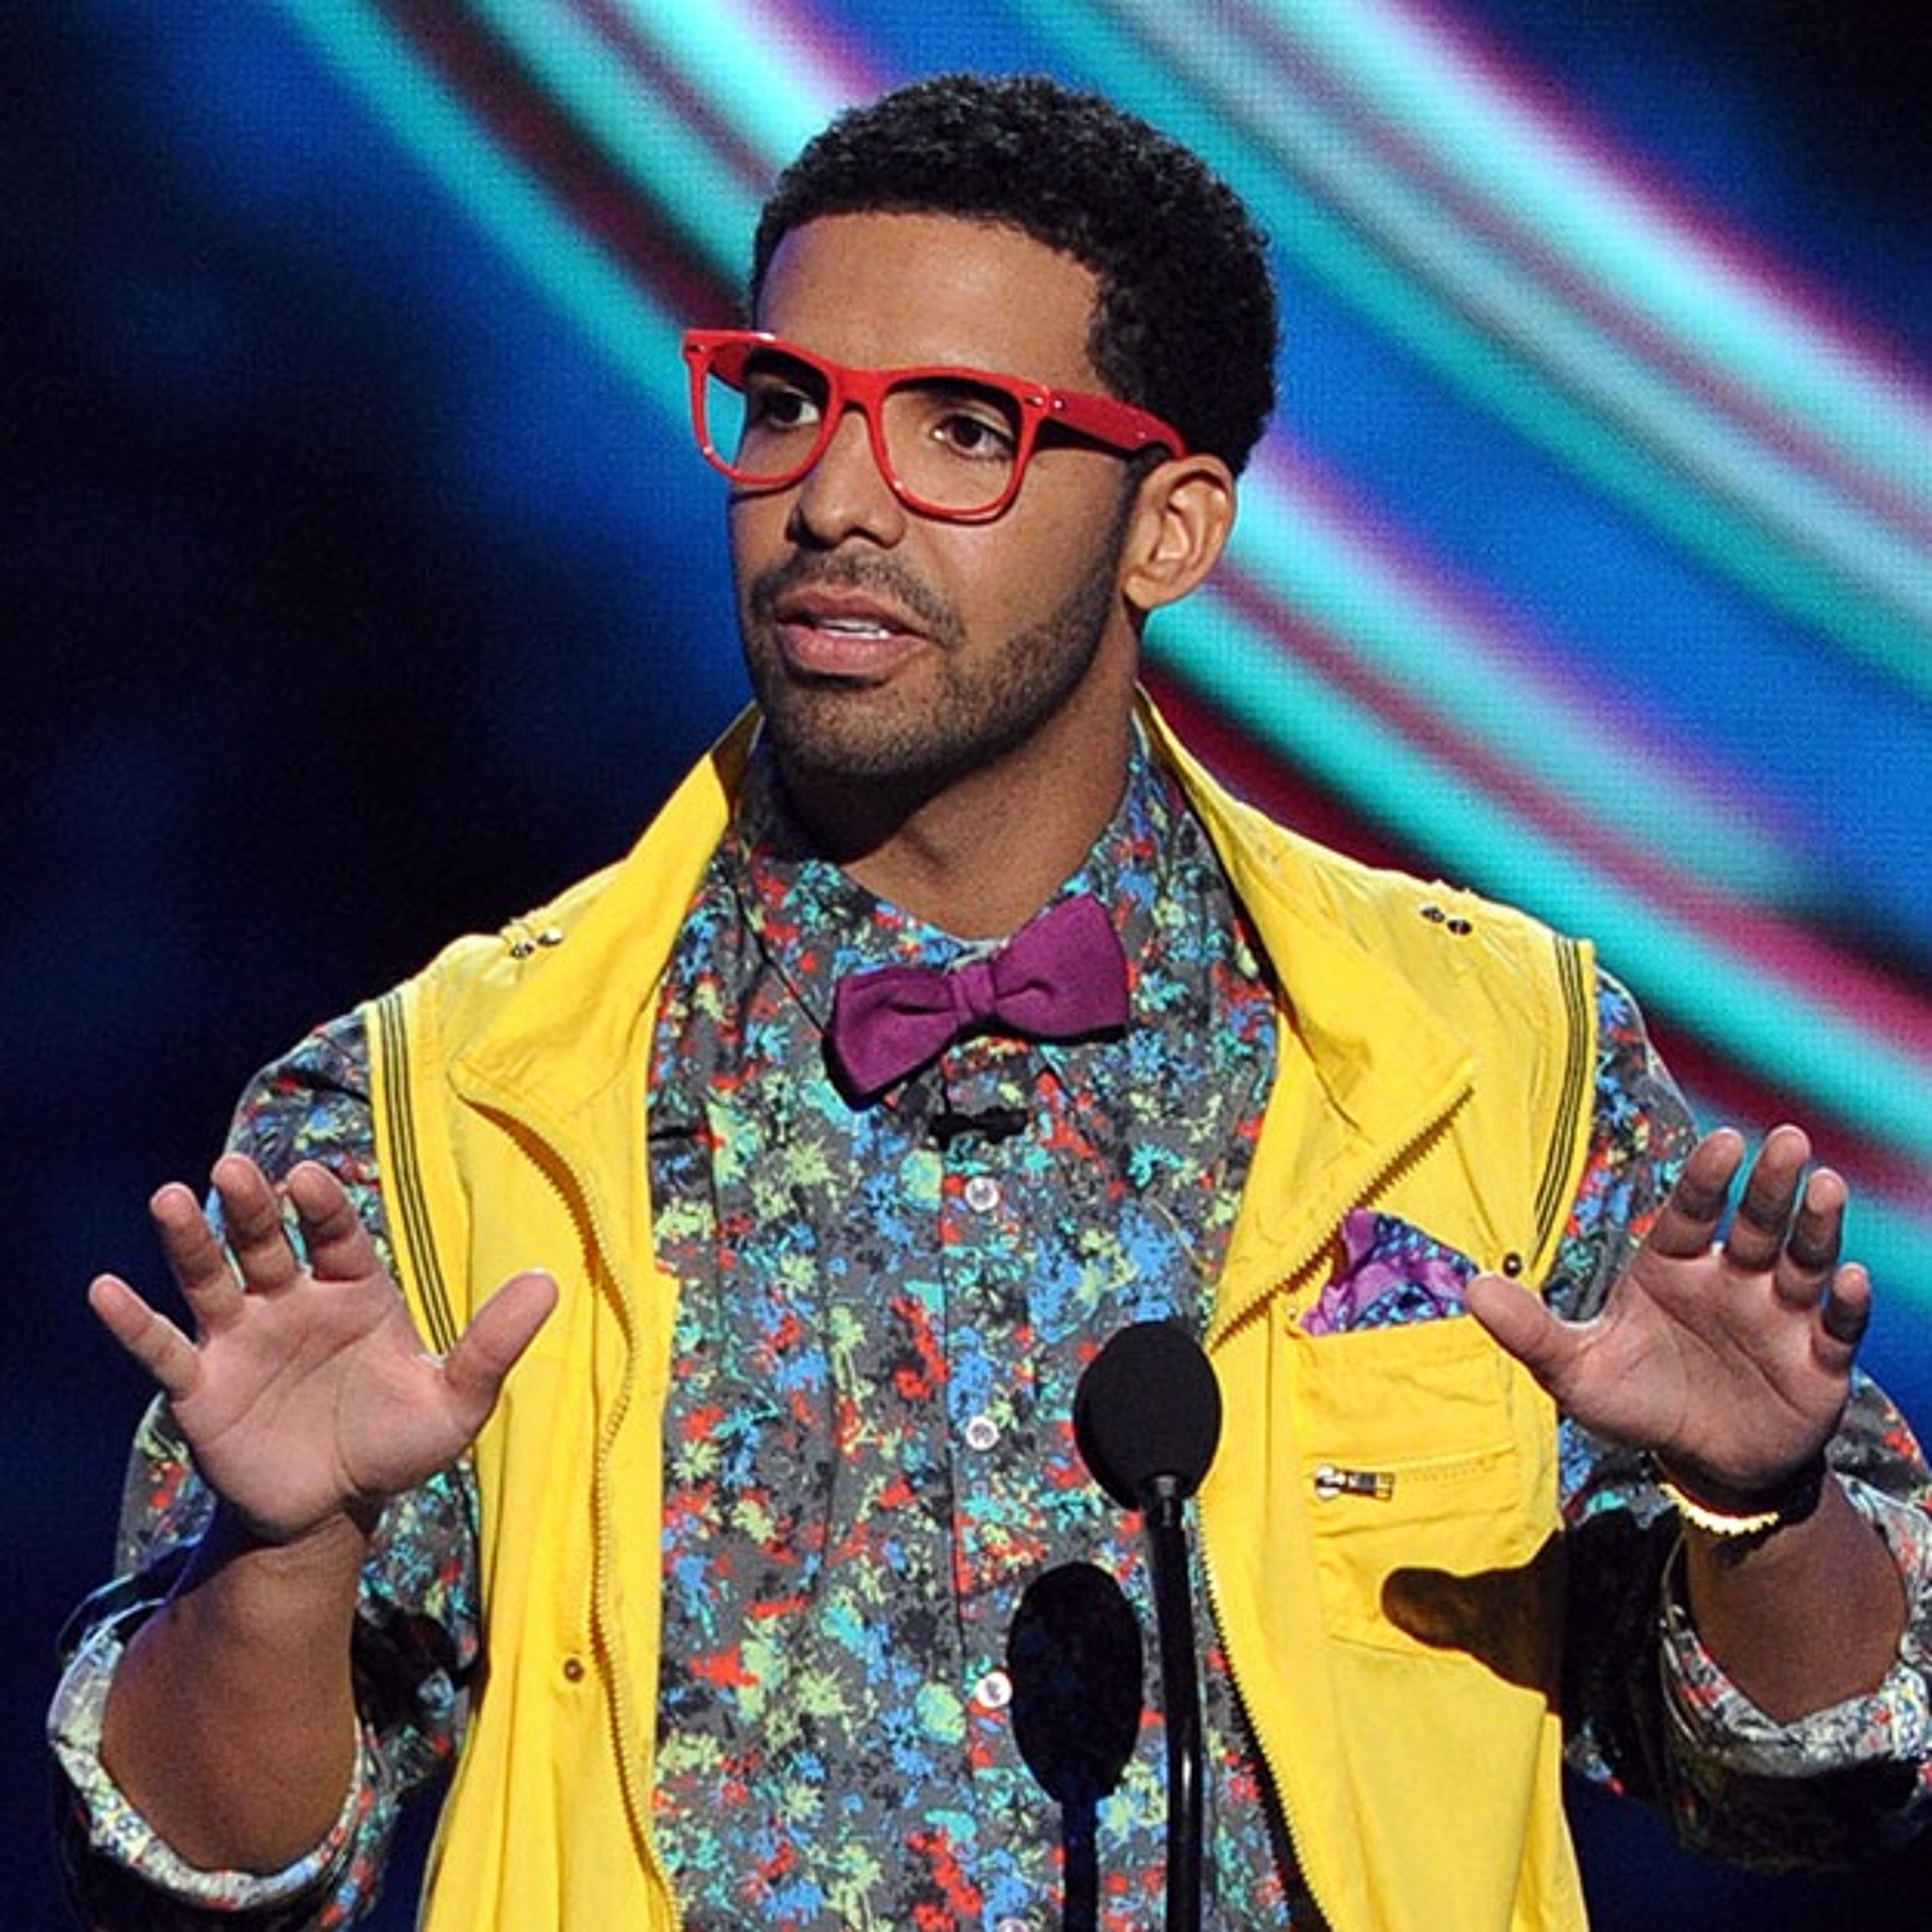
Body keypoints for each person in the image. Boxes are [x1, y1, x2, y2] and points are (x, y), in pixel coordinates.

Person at [49, 71, 1932, 1932]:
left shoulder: (1502, 1061)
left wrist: (1758, 1512)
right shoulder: (429, 1106)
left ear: (1169, 529)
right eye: (787, 403)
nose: (831, 503)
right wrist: (283, 1557)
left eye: (962, 429)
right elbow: (204, 1881)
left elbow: (1811, 1777)